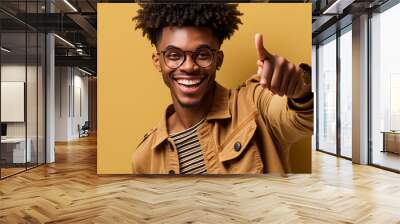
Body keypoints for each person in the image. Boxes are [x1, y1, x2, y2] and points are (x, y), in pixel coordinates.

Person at [132, 3, 313, 174]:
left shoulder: (254, 103)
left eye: (202, 54)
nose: (188, 67)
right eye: (173, 55)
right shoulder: (144, 157)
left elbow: (305, 119)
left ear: (218, 60)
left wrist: (299, 91)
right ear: (158, 62)